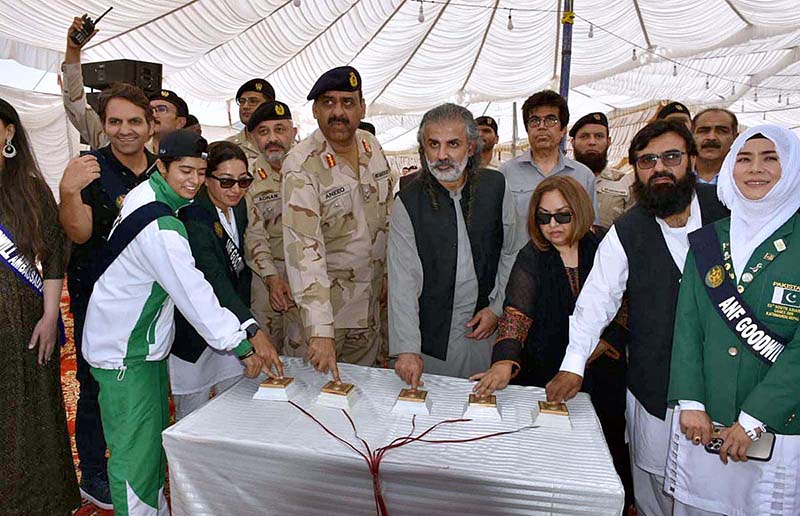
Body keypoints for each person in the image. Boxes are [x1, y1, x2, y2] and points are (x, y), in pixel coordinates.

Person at [82, 130, 281, 516]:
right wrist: (242, 343)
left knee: (149, 450)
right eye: (184, 170)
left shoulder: (153, 196)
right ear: (162, 167)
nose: (192, 180)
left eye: (199, 171)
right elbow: (195, 295)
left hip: (141, 347)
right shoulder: (162, 225)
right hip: (126, 354)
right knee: (134, 460)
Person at [545, 120, 729, 516]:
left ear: (692, 161)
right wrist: (573, 366)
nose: (659, 168)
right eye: (647, 161)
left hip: (725, 390)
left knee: (719, 495)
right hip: (653, 390)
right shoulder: (628, 230)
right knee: (656, 492)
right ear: (635, 171)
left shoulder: (730, 211)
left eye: (671, 157)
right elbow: (596, 302)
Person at [470, 175, 633, 508]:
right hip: (545, 371)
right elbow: (517, 313)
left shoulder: (606, 243)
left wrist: (604, 343)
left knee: (604, 450)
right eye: (543, 217)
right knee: (550, 457)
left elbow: (629, 303)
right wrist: (504, 361)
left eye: (563, 215)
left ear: (580, 211)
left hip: (604, 374)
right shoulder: (532, 255)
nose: (553, 225)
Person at [667, 126, 800, 516]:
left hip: (777, 427)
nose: (755, 169)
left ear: (791, 167)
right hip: (703, 421)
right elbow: (687, 326)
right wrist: (690, 401)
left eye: (770, 158)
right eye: (744, 158)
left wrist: (755, 419)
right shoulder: (707, 241)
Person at [59, 81, 157, 510]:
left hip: (153, 301)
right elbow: (77, 232)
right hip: (96, 296)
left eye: (134, 121)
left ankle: (148, 457)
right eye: (114, 121)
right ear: (103, 125)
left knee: (147, 380)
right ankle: (95, 471)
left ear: (151, 125)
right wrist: (68, 190)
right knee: (95, 382)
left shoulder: (163, 169)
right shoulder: (90, 169)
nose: (125, 130)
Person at [389, 104, 517, 384]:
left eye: (453, 144)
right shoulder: (408, 202)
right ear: (423, 148)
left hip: (485, 330)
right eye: (433, 145)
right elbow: (403, 281)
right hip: (432, 340)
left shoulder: (496, 186)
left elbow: (512, 252)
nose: (442, 155)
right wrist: (407, 348)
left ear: (471, 148)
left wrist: (496, 309)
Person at [282, 66, 393, 381]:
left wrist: (386, 276)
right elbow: (303, 249)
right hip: (327, 313)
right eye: (328, 103)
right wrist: (319, 329)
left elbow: (388, 216)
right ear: (316, 110)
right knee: (314, 400)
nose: (338, 112)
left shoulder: (372, 147)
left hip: (369, 306)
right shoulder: (301, 164)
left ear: (362, 107)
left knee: (362, 395)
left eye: (347, 102)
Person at [0, 99, 81, 516]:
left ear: (8, 132)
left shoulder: (30, 189)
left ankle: (38, 499)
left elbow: (53, 254)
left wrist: (51, 315)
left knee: (33, 413)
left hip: (25, 320)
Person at [169, 141, 278, 420]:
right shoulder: (194, 217)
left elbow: (237, 272)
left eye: (244, 182)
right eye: (227, 181)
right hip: (195, 333)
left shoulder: (239, 207)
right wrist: (253, 329)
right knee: (194, 414)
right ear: (207, 179)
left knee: (237, 407)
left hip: (232, 323)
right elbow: (214, 277)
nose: (236, 190)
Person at [61, 16, 189, 153]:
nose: (154, 114)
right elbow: (75, 105)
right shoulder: (115, 143)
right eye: (151, 109)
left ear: (180, 122)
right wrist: (73, 51)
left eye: (162, 109)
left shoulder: (189, 158)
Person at [243, 100, 304, 355]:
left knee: (306, 354)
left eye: (280, 129)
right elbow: (253, 234)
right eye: (264, 132)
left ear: (294, 132)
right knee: (266, 355)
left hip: (307, 277)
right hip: (266, 278)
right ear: (253, 138)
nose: (272, 138)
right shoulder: (247, 177)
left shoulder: (311, 169)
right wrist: (271, 278)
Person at [501, 90, 598, 244]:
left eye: (550, 120)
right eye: (535, 121)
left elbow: (590, 228)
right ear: (527, 129)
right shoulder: (506, 173)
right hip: (517, 265)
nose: (542, 127)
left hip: (565, 266)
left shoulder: (583, 175)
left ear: (563, 129)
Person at [570, 112, 634, 228]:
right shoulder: (560, 180)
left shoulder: (625, 182)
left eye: (599, 136)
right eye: (584, 136)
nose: (592, 142)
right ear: (573, 142)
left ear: (608, 141)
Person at [226, 78, 276, 164]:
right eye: (242, 101)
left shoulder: (284, 143)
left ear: (269, 106)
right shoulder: (228, 147)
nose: (245, 106)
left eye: (253, 101)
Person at [692, 108, 738, 185]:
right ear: (691, 136)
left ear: (735, 138)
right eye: (703, 131)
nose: (711, 137)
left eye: (721, 131)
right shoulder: (676, 177)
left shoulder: (744, 179)